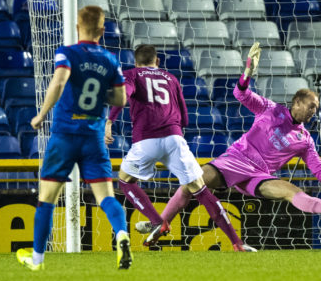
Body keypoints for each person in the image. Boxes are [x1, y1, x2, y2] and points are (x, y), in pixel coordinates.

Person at [135, 43, 321, 238]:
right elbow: (240, 94)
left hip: (259, 175)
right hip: (234, 161)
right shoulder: (270, 109)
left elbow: (319, 170)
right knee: (191, 182)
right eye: (311, 106)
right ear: (296, 102)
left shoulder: (305, 140)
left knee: (291, 191)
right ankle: (161, 222)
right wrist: (247, 73)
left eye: (316, 108)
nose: (314, 111)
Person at [16, 6, 132, 270]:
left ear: (77, 27)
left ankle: (37, 260)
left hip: (65, 136)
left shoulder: (67, 53)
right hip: (93, 137)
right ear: (102, 31)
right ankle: (122, 235)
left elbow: (58, 82)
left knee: (47, 198)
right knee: (106, 197)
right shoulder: (110, 60)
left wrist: (41, 114)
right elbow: (120, 99)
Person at [106, 44, 251, 251]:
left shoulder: (132, 74)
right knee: (201, 191)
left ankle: (158, 221)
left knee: (125, 181)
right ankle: (237, 243)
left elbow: (123, 96)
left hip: (146, 140)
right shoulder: (171, 79)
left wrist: (110, 121)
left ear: (136, 62)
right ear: (157, 61)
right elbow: (184, 117)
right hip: (175, 139)